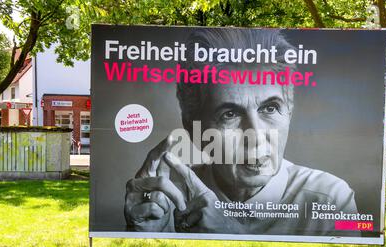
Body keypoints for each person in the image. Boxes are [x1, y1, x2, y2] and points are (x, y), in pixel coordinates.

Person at [124, 28, 358, 235]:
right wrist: (148, 236)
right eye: (229, 115)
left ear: (289, 112)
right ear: (193, 128)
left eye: (270, 108)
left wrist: (229, 233)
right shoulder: (167, 198)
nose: (255, 136)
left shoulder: (330, 197)